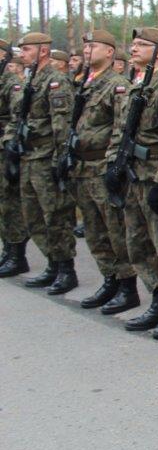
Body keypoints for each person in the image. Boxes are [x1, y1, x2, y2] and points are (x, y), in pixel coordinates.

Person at [105, 27, 158, 331]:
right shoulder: (133, 87)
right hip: (132, 177)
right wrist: (112, 167)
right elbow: (120, 132)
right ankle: (157, 297)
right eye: (134, 44)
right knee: (137, 243)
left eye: (143, 45)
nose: (134, 49)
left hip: (154, 176)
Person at [64, 30, 136, 311]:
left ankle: (127, 286)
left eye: (93, 46)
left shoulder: (117, 86)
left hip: (101, 167)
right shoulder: (84, 84)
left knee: (114, 230)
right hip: (82, 167)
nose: (87, 50)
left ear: (109, 52)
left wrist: (114, 166)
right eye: (86, 46)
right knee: (95, 231)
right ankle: (110, 280)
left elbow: (121, 128)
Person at [2, 33, 78, 292]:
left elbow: (62, 125)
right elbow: (16, 117)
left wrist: (61, 159)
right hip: (28, 157)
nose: (22, 54)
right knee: (33, 217)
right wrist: (11, 143)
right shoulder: (30, 79)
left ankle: (65, 269)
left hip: (46, 158)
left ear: (43, 51)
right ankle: (52, 264)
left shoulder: (56, 82)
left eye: (27, 49)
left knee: (56, 216)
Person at [0, 39, 31, 278]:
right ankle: (8, 250)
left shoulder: (12, 83)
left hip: (5, 149)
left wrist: (9, 143)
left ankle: (17, 255)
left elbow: (17, 117)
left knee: (9, 203)